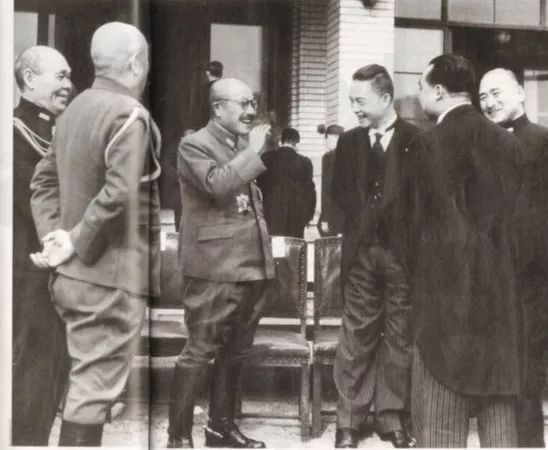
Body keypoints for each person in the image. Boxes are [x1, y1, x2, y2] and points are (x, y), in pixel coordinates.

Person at [29, 22, 161, 446]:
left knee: (86, 390)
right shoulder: (130, 115)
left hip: (71, 277)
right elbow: (120, 192)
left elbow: (42, 182)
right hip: (110, 279)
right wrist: (74, 239)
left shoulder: (72, 110)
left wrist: (55, 235)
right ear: (136, 63)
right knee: (92, 395)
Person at [404, 54, 525, 447]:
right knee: (499, 418)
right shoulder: (508, 143)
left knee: (440, 425)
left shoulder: (426, 144)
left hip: (443, 302)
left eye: (422, 87)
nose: (420, 95)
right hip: (500, 300)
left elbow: (410, 230)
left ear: (439, 91)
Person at [167, 78, 274, 449]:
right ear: (217, 108)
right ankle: (178, 437)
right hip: (213, 269)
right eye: (243, 103)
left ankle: (220, 429)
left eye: (253, 103)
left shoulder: (240, 145)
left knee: (235, 352)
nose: (251, 111)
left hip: (249, 267)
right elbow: (216, 185)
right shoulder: (194, 144)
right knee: (199, 352)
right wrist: (254, 151)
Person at [331, 64, 420, 448]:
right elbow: (339, 194)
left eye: (360, 101)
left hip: (403, 257)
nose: (354, 108)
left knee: (399, 336)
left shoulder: (417, 140)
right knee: (356, 335)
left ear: (385, 98)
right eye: (351, 100)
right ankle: (349, 421)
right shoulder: (348, 142)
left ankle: (391, 417)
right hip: (362, 255)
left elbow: (423, 201)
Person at [479, 67, 548, 448]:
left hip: (534, 277)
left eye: (496, 93)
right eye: (482, 96)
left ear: (520, 93)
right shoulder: (480, 146)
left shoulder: (542, 141)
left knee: (528, 366)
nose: (489, 102)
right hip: (490, 273)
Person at [12, 45, 72, 446]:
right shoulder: (15, 133)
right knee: (31, 375)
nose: (68, 84)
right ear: (30, 79)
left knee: (52, 376)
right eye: (60, 76)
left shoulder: (57, 132)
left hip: (57, 270)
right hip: (29, 272)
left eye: (69, 76)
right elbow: (31, 200)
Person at [257, 127, 316, 238]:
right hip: (296, 214)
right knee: (294, 245)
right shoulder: (305, 162)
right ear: (296, 143)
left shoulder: (266, 158)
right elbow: (310, 191)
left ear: (281, 141)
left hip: (271, 211)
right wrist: (308, 216)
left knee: (274, 244)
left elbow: (259, 185)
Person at [317, 124, 344, 237]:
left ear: (335, 137)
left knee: (328, 241)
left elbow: (327, 188)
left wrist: (325, 217)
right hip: (349, 213)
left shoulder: (328, 157)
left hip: (333, 211)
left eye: (328, 139)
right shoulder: (353, 155)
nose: (326, 143)